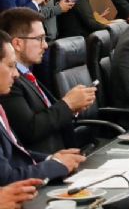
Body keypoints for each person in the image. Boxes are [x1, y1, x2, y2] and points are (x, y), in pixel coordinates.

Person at [0, 9, 96, 153]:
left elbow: (46, 114)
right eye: (39, 38)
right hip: (43, 165)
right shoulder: (9, 81)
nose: (45, 45)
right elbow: (30, 129)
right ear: (18, 43)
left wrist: (73, 107)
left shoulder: (27, 74)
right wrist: (68, 104)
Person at [0, 31, 85, 185]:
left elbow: (16, 155)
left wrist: (52, 159)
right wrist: (55, 166)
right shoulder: (12, 90)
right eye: (11, 66)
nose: (16, 74)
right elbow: (6, 178)